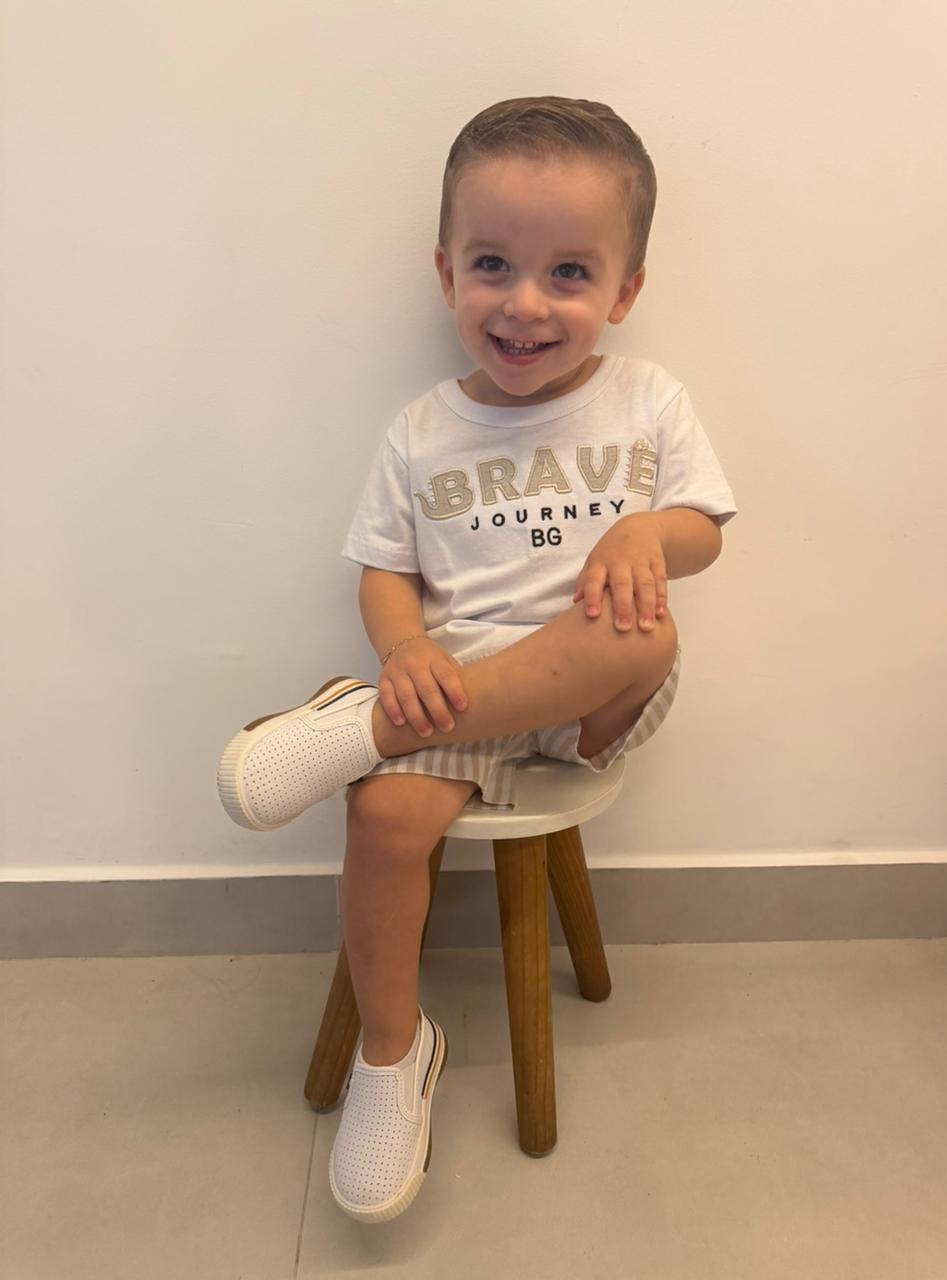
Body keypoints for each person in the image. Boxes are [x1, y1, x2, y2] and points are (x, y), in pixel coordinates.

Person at [217, 95, 737, 1222]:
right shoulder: (422, 429)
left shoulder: (646, 397)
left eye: (569, 272)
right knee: (383, 818)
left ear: (625, 291)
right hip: (456, 688)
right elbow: (383, 572)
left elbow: (704, 529)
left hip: (592, 694)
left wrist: (647, 535)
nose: (524, 302)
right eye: (493, 264)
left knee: (644, 627)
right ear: (447, 272)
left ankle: (363, 724)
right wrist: (404, 645)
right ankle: (392, 1053)